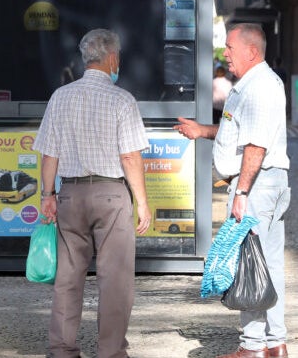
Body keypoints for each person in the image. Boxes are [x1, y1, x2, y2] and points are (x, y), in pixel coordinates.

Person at [32, 28, 151, 358]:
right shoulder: (121, 99)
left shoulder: (61, 96)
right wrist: (142, 202)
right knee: (114, 281)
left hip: (69, 194)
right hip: (111, 197)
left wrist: (47, 196)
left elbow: (49, 154)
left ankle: (62, 350)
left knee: (68, 279)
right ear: (112, 58)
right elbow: (130, 157)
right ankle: (110, 352)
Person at [174, 23, 290, 358]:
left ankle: (252, 346)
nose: (225, 54)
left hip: (254, 186)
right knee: (266, 264)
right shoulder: (253, 84)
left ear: (251, 51)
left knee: (247, 263)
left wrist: (241, 193)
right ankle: (274, 343)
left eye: (229, 47)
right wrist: (202, 131)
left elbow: (255, 146)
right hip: (263, 184)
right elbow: (238, 134)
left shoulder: (260, 87)